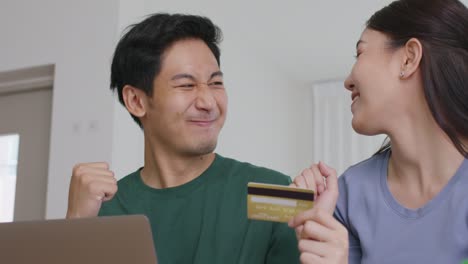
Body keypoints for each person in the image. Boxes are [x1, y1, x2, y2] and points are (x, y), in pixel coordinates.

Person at [66, 13, 346, 263]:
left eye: (215, 83)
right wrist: (76, 225)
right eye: (186, 85)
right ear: (137, 100)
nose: (208, 101)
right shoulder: (104, 208)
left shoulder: (273, 193)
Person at [290, 0, 468, 263]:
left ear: (408, 59)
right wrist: (319, 236)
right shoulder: (349, 195)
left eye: (360, 54)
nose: (348, 81)